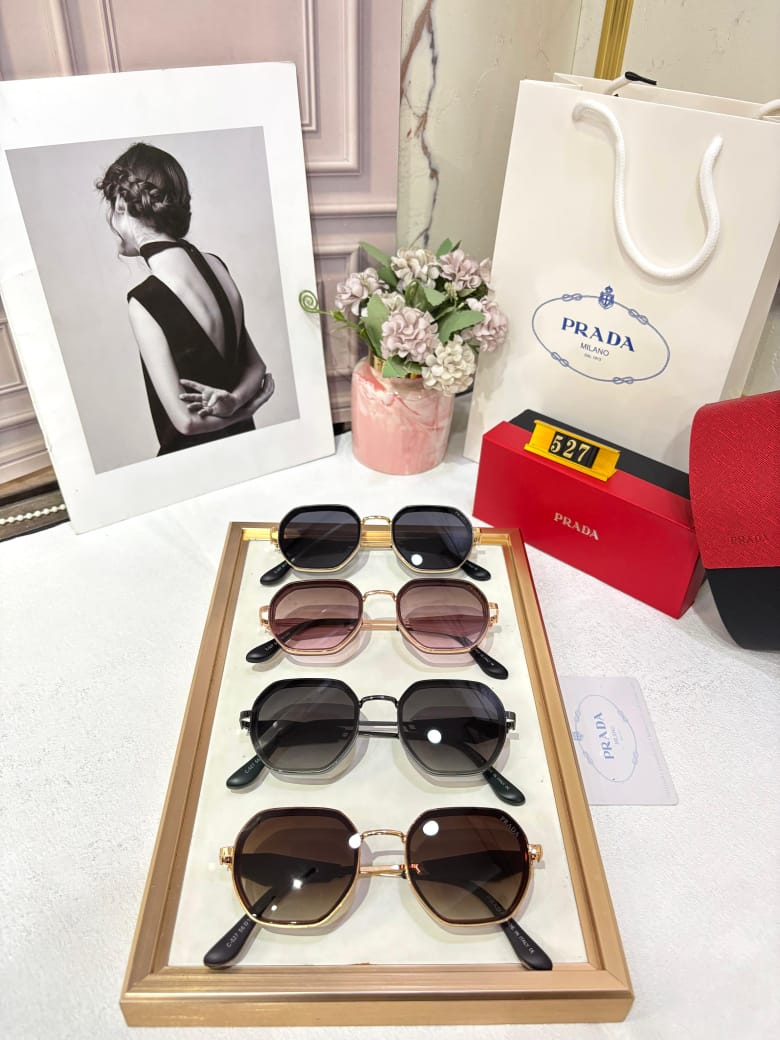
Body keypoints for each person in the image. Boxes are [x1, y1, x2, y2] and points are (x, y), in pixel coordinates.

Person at [96, 142, 274, 455]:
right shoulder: (216, 265)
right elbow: (256, 366)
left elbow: (186, 422)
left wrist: (241, 409)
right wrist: (238, 404)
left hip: (193, 460)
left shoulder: (144, 301)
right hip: (247, 446)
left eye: (112, 206)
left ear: (121, 203)